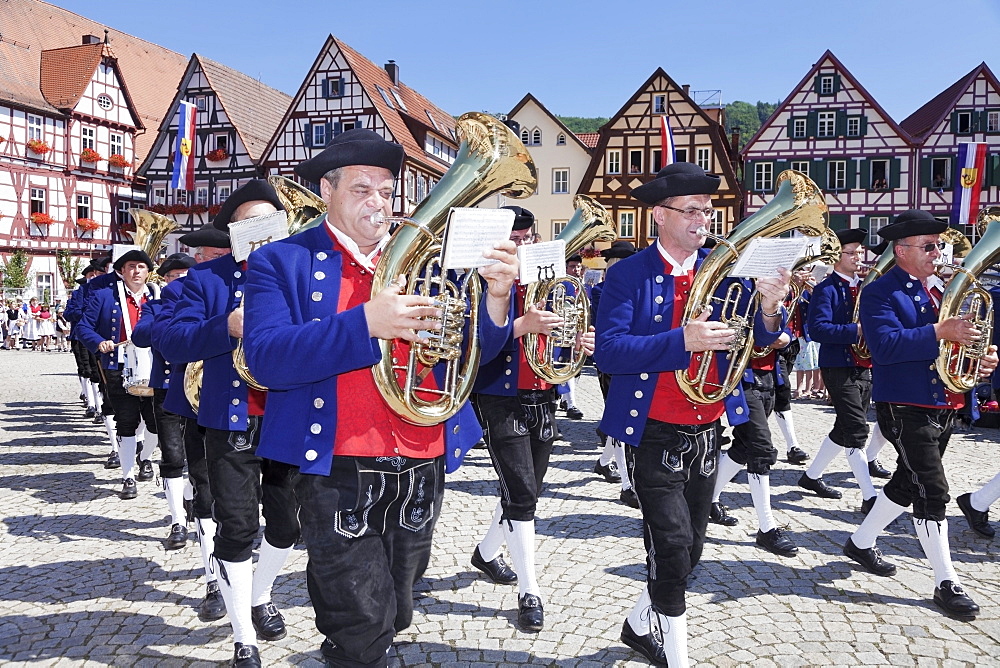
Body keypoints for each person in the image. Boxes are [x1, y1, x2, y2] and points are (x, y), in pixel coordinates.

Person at [242, 129, 518, 666]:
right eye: (362, 189)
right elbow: (268, 358)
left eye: (387, 191)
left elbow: (473, 351)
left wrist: (499, 296)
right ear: (327, 189)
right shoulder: (279, 261)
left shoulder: (426, 262)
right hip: (338, 461)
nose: (378, 202)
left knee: (398, 605)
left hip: (421, 454)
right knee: (359, 616)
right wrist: (366, 322)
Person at [595, 163, 790, 665]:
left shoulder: (724, 270)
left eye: (708, 210)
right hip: (652, 429)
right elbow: (611, 353)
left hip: (707, 426)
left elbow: (760, 342)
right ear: (660, 215)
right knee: (675, 545)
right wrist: (681, 340)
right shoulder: (627, 275)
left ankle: (640, 625)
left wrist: (770, 307)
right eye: (692, 211)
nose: (704, 220)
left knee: (691, 549)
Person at [161, 189, 301, 668]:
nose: (261, 234)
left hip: (287, 417)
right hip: (231, 420)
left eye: (270, 223)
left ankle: (259, 596)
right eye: (250, 225)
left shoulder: (301, 274)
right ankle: (244, 634)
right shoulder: (206, 278)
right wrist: (227, 325)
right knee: (237, 528)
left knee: (286, 525)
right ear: (234, 233)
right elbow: (171, 341)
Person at [845, 209, 998, 620]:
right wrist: (938, 332)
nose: (938, 252)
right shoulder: (880, 292)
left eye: (939, 245)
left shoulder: (941, 290)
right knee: (933, 490)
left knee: (908, 481)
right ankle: (946, 581)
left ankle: (860, 542)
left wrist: (979, 360)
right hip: (904, 404)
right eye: (930, 246)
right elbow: (885, 347)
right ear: (902, 250)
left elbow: (956, 347)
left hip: (943, 401)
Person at [469, 206, 594, 633]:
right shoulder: (481, 276)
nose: (521, 247)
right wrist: (524, 323)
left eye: (526, 239)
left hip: (542, 392)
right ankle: (530, 589)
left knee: (527, 490)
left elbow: (560, 331)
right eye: (515, 240)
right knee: (523, 492)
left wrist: (575, 336)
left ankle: (486, 553)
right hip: (497, 395)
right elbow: (476, 340)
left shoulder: (548, 275)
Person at [153, 241, 232, 623]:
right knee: (206, 492)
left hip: (265, 402)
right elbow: (164, 337)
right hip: (201, 402)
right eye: (209, 255)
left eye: (222, 254)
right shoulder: (179, 289)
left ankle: (258, 584)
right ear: (199, 258)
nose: (216, 261)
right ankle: (214, 580)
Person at [800, 228, 879, 511]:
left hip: (863, 365)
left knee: (843, 427)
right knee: (857, 430)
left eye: (860, 251)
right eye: (852, 252)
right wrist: (855, 329)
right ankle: (869, 496)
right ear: (837, 256)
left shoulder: (867, 286)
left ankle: (811, 477)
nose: (859, 257)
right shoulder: (826, 289)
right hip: (838, 366)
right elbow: (818, 329)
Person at [709, 327, 801, 557]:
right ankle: (766, 528)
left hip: (770, 377)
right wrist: (767, 334)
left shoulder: (772, 299)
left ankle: (708, 499)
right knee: (761, 449)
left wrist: (785, 337)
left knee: (744, 446)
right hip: (741, 378)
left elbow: (785, 330)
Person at [76, 249, 160, 499]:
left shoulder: (158, 295)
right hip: (117, 367)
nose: (136, 271)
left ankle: (145, 457)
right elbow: (83, 326)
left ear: (148, 272)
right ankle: (128, 475)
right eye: (131, 266)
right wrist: (98, 342)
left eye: (141, 267)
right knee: (126, 422)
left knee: (156, 423)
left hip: (153, 366)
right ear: (121, 272)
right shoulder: (104, 296)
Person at [132, 252, 197, 551]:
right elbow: (140, 335)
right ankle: (177, 521)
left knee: (200, 457)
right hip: (168, 388)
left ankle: (190, 496)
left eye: (185, 276)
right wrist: (166, 320)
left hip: (202, 390)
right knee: (172, 455)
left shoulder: (204, 304)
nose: (179, 282)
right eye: (173, 277)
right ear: (164, 280)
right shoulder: (155, 307)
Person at [591, 241, 639, 507]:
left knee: (618, 415)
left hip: (635, 359)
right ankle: (627, 483)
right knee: (620, 417)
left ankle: (603, 462)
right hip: (612, 360)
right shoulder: (600, 291)